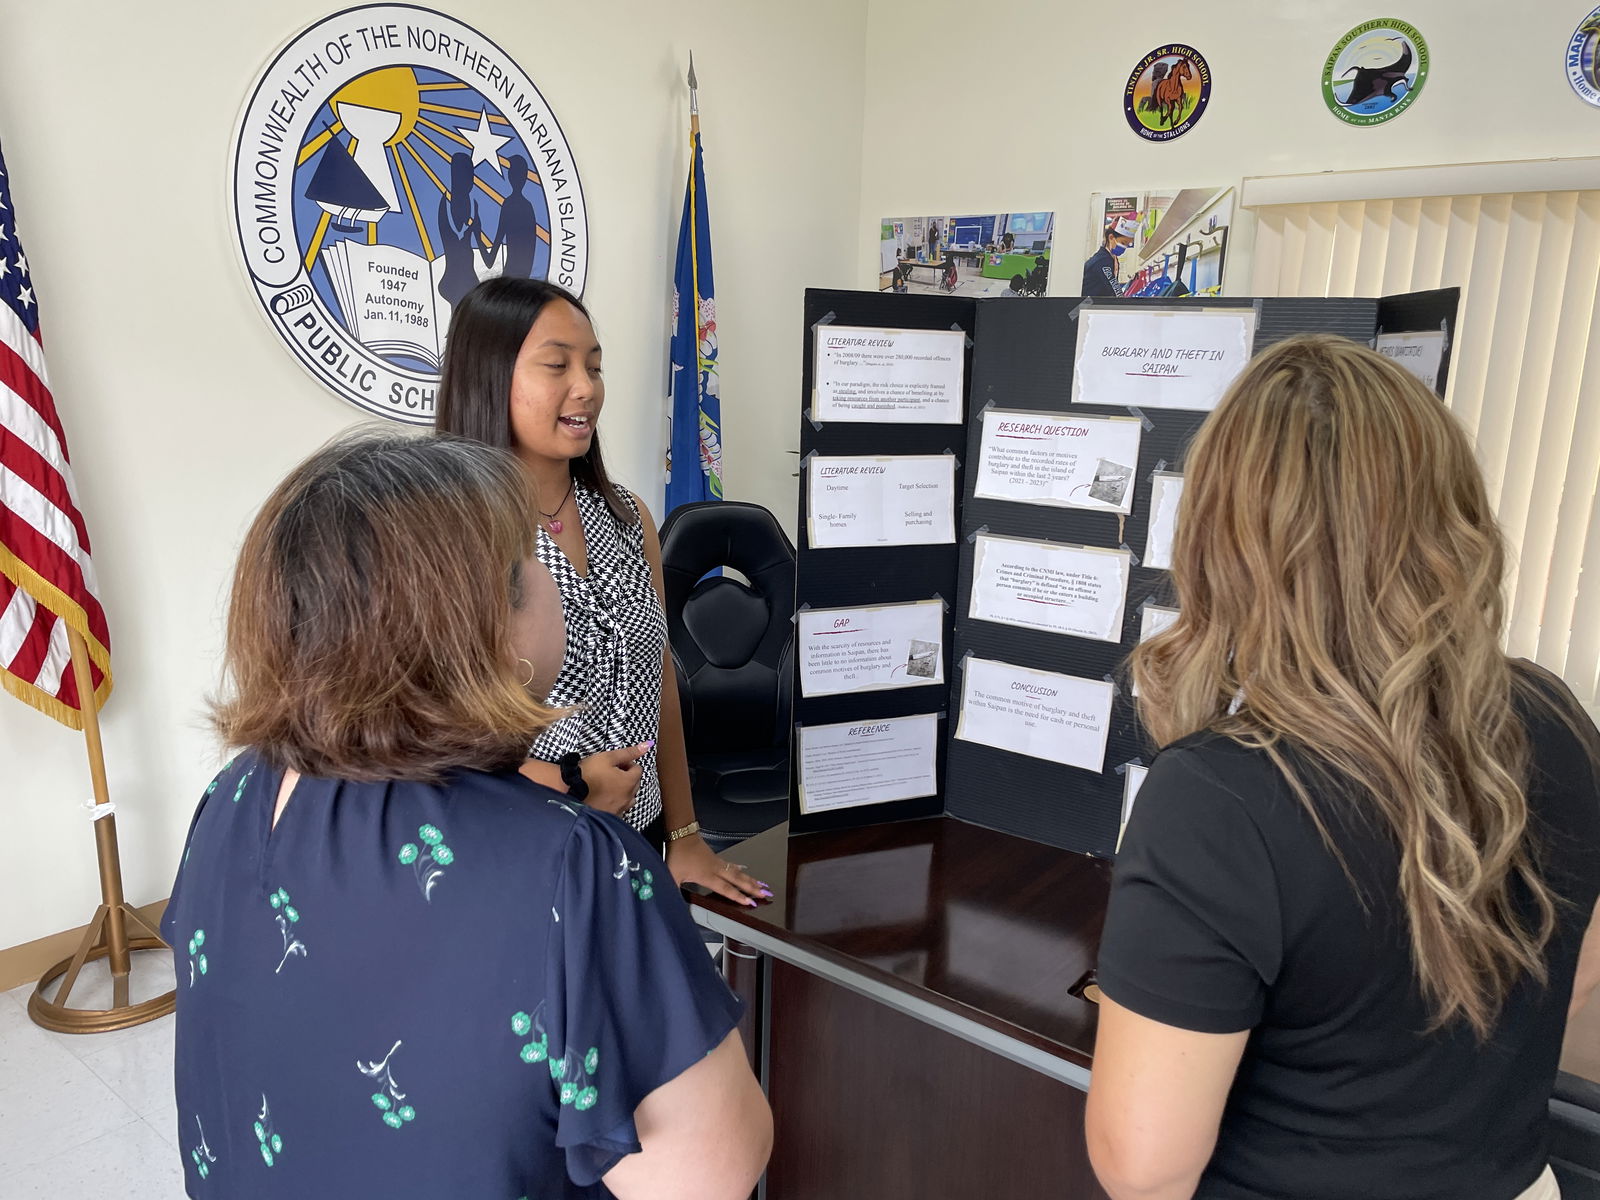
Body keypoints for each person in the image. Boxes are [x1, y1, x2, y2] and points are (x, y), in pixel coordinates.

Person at [161, 432, 772, 1199]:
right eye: (533, 563)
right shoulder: (576, 869)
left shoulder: (233, 795)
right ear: (484, 624)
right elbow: (714, 1171)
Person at [1086, 334, 1600, 1200]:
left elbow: (1143, 1167)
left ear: (1225, 539)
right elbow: (1577, 984)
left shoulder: (1218, 797)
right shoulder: (1556, 720)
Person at [435, 277, 768, 907]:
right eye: (557, 365)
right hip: (520, 854)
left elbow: (657, 673)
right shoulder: (451, 532)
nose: (586, 387)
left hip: (635, 845)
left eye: (594, 366)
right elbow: (424, 738)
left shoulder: (625, 517)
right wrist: (558, 779)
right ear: (489, 376)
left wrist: (685, 834)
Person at [1082, 215, 1135, 298]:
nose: (1125, 247)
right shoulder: (1102, 261)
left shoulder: (1113, 259)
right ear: (1111, 237)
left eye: (1127, 244)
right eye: (1123, 243)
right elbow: (1114, 288)